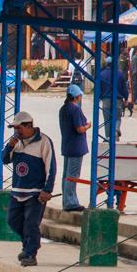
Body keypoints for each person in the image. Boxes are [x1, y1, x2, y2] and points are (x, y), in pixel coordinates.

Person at [1, 111, 56, 267]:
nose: (17, 131)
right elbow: (5, 160)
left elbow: (51, 167)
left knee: (31, 224)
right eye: (15, 128)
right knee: (13, 221)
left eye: (19, 128)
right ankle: (29, 245)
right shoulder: (16, 142)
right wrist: (9, 146)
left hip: (35, 193)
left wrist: (47, 189)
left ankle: (30, 253)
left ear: (29, 126)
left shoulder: (44, 142)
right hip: (17, 191)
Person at [58, 84, 91, 212]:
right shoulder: (75, 109)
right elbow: (79, 128)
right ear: (77, 97)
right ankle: (70, 202)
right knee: (72, 175)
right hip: (76, 147)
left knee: (66, 175)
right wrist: (88, 126)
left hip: (67, 145)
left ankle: (67, 200)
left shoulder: (63, 109)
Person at [99, 56, 128, 139]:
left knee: (107, 120)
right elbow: (124, 88)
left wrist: (100, 97)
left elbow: (99, 89)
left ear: (106, 64)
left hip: (106, 100)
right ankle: (115, 130)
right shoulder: (119, 74)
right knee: (117, 118)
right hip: (117, 100)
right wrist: (126, 98)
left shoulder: (101, 74)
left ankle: (108, 137)